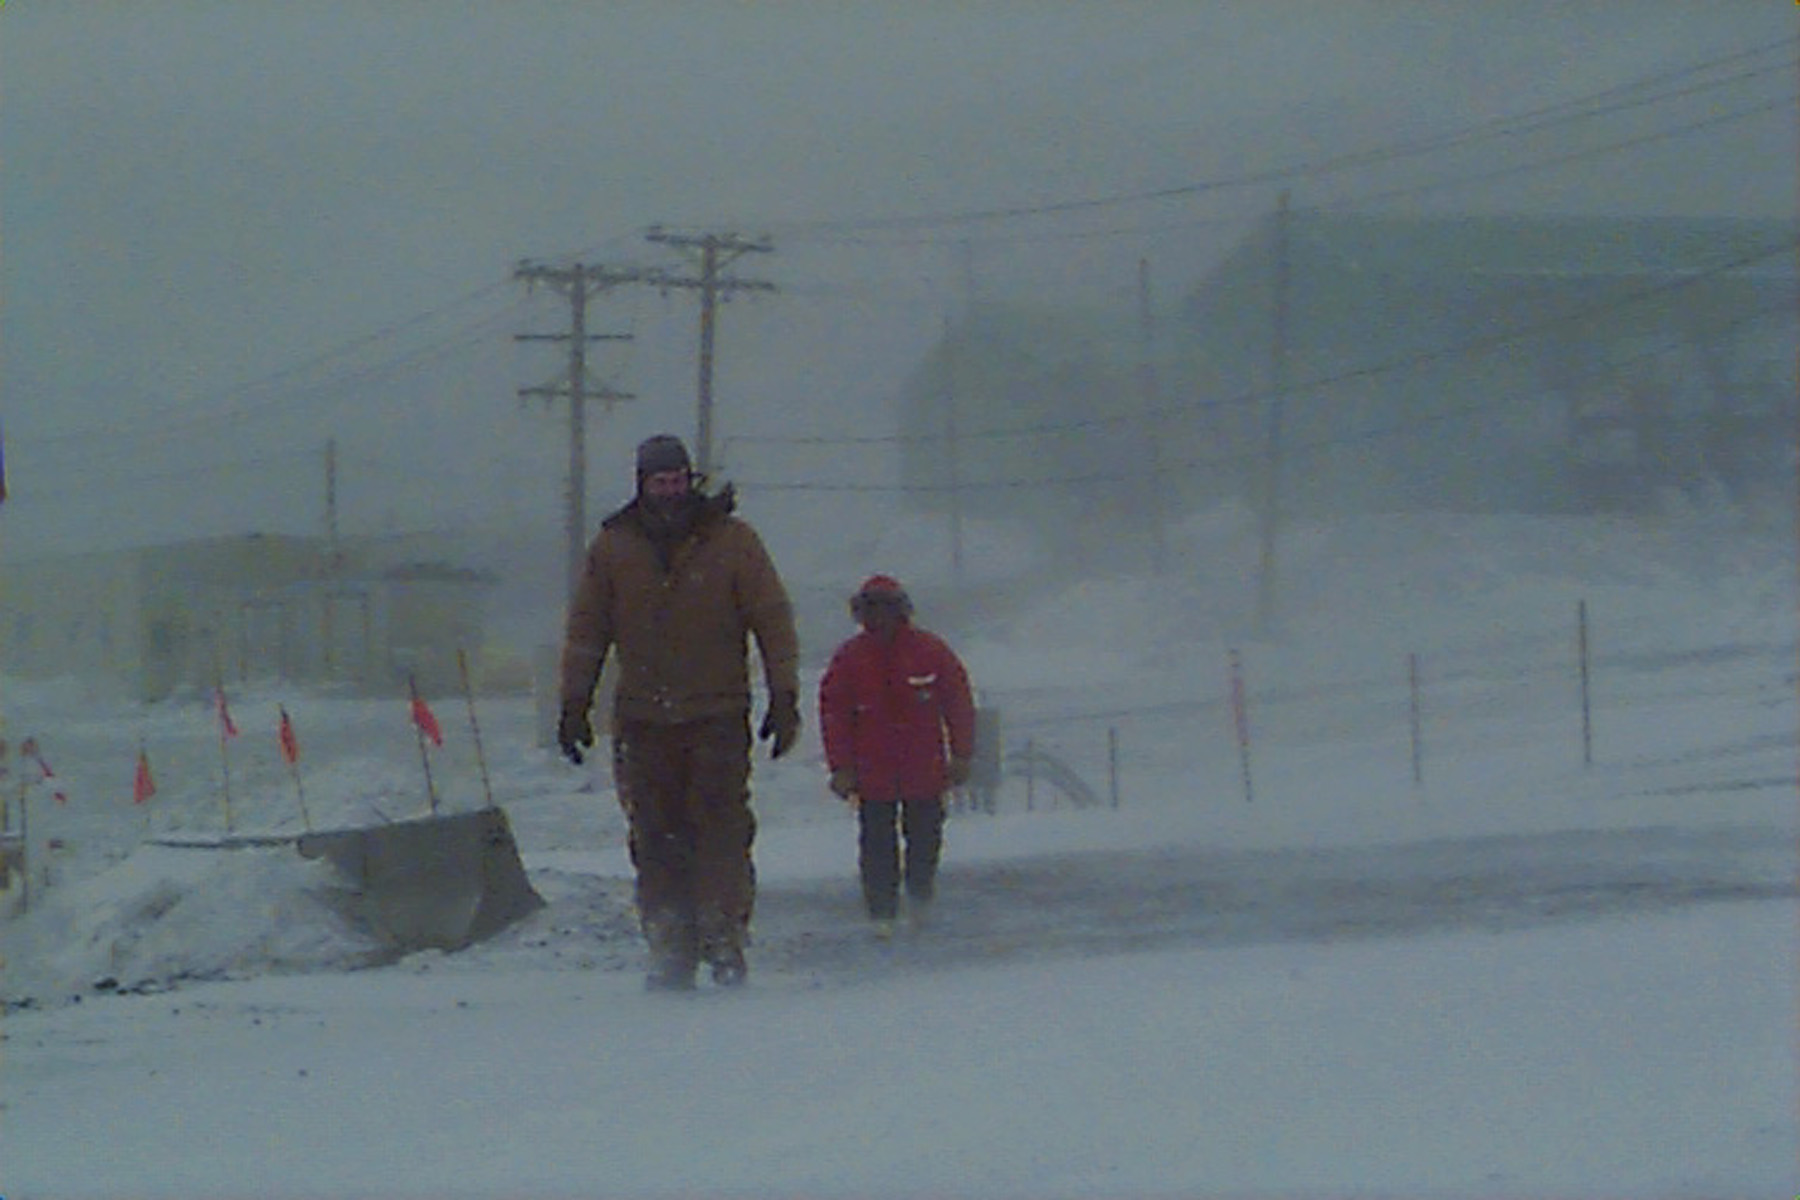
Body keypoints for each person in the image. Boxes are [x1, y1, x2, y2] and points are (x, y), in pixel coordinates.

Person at [557, 434, 800, 991]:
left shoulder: (733, 543)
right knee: (654, 834)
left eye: (676, 479)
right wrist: (575, 702)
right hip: (644, 720)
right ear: (641, 484)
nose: (668, 490)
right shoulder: (614, 549)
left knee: (721, 830)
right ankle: (670, 942)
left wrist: (783, 696)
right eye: (657, 480)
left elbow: (773, 620)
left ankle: (723, 935)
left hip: (717, 712)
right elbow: (587, 632)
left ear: (690, 481)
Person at [818, 574, 975, 935]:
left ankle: (920, 898)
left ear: (901, 609)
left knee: (925, 839)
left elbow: (958, 702)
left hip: (924, 771)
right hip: (873, 775)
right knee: (876, 845)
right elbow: (834, 714)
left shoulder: (931, 651)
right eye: (870, 609)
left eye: (885, 607)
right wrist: (841, 767)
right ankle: (882, 912)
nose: (879, 617)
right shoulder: (849, 658)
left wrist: (962, 754)